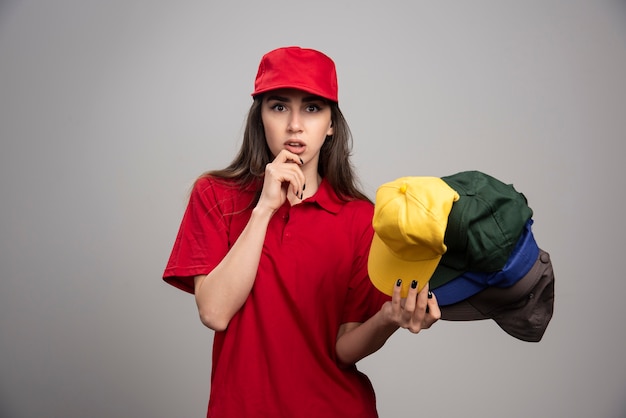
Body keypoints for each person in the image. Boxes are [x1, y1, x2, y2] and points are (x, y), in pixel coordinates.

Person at [163, 46, 441, 418]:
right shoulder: (215, 195)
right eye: (279, 107)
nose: (295, 124)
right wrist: (264, 209)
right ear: (259, 117)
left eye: (312, 108)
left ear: (330, 125)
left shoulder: (360, 218)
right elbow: (214, 312)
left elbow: (343, 348)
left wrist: (388, 318)